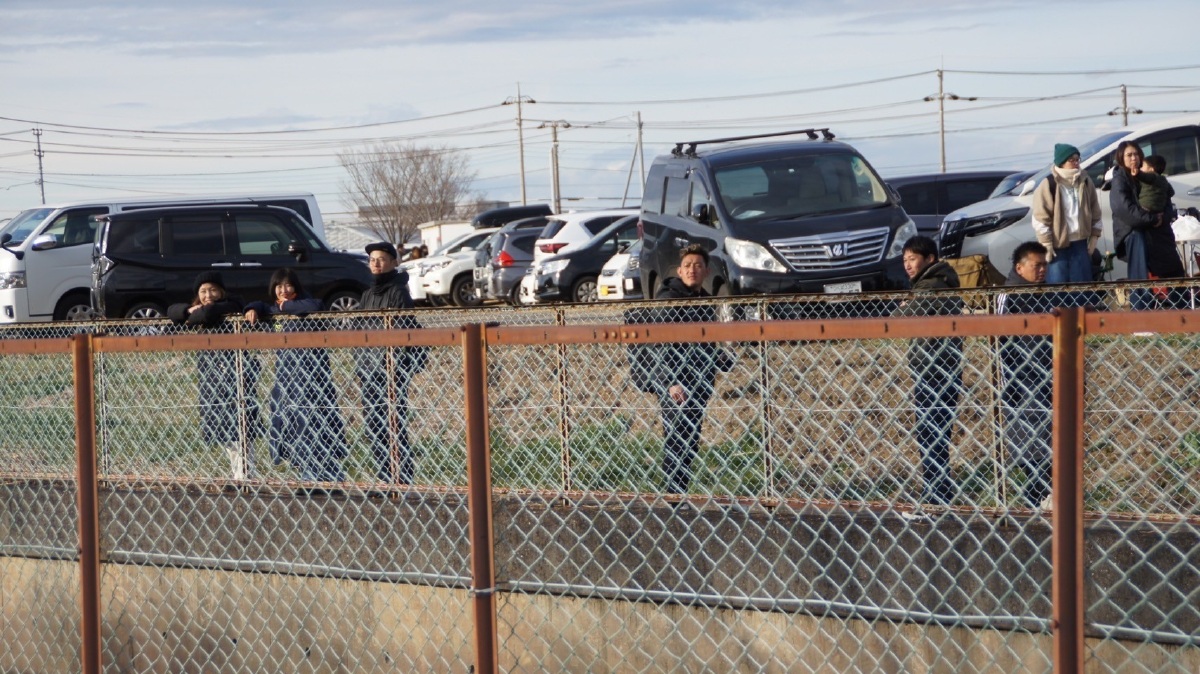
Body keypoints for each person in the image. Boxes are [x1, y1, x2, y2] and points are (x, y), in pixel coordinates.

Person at [244, 268, 349, 486]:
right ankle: (307, 472)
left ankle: (325, 476)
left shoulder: (304, 305)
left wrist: (285, 306)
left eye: (288, 285)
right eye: (278, 286)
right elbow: (260, 306)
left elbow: (315, 306)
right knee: (292, 425)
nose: (283, 290)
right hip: (287, 380)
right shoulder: (274, 312)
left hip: (313, 378)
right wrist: (253, 308)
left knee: (316, 424)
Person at [646, 244, 733, 495]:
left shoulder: (704, 301)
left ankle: (679, 492)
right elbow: (659, 346)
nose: (692, 270)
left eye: (697, 266)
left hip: (699, 381)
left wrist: (721, 358)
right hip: (675, 383)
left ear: (706, 271)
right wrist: (670, 382)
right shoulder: (669, 299)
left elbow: (703, 344)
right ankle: (674, 496)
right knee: (677, 439)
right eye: (687, 266)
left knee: (690, 440)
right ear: (679, 271)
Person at [167, 271, 262, 482]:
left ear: (221, 291)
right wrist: (187, 310)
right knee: (224, 429)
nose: (208, 295)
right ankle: (239, 474)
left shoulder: (232, 305)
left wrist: (195, 313)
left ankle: (246, 475)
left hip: (236, 375)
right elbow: (171, 312)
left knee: (242, 427)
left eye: (212, 290)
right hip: (212, 379)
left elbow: (209, 313)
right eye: (203, 291)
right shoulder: (198, 308)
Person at [895, 235, 963, 505]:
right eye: (904, 260)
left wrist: (904, 308)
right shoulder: (942, 282)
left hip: (933, 369)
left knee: (929, 433)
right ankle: (938, 491)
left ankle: (935, 495)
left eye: (912, 259)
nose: (907, 265)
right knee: (936, 434)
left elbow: (899, 321)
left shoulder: (931, 286)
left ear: (930, 259)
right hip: (943, 367)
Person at [354, 242, 426, 486]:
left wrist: (396, 364)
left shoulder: (398, 291)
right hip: (368, 368)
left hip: (390, 369)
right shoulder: (367, 294)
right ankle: (385, 477)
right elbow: (359, 330)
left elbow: (404, 329)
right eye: (372, 259)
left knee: (393, 424)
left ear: (394, 263)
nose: (376, 263)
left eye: (382, 259)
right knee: (373, 426)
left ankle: (400, 478)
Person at [995, 242, 1053, 508]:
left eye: (1044, 265)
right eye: (1036, 265)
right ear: (1019, 268)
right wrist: (1008, 385)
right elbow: (1000, 344)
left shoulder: (1047, 293)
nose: (1042, 270)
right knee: (1030, 446)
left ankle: (1043, 498)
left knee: (1049, 444)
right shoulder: (1009, 296)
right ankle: (1036, 499)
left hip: (1048, 379)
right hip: (1021, 382)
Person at [1110, 141, 1186, 309]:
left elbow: (1167, 204)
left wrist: (1162, 218)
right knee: (1140, 275)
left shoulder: (1151, 177)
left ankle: (1183, 310)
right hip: (1133, 231)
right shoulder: (1120, 179)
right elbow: (1125, 210)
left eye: (1136, 154)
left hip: (1158, 231)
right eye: (1129, 155)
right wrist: (1152, 219)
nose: (1134, 158)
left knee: (1174, 270)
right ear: (1121, 158)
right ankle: (1142, 314)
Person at [1030, 143, 1102, 285]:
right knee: (1058, 286)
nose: (1076, 163)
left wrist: (1094, 236)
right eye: (1071, 160)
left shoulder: (1085, 180)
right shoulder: (1049, 184)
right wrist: (1046, 243)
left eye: (1077, 159)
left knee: (1082, 287)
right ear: (1061, 162)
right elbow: (1040, 217)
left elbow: (1095, 210)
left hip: (1080, 243)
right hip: (1057, 245)